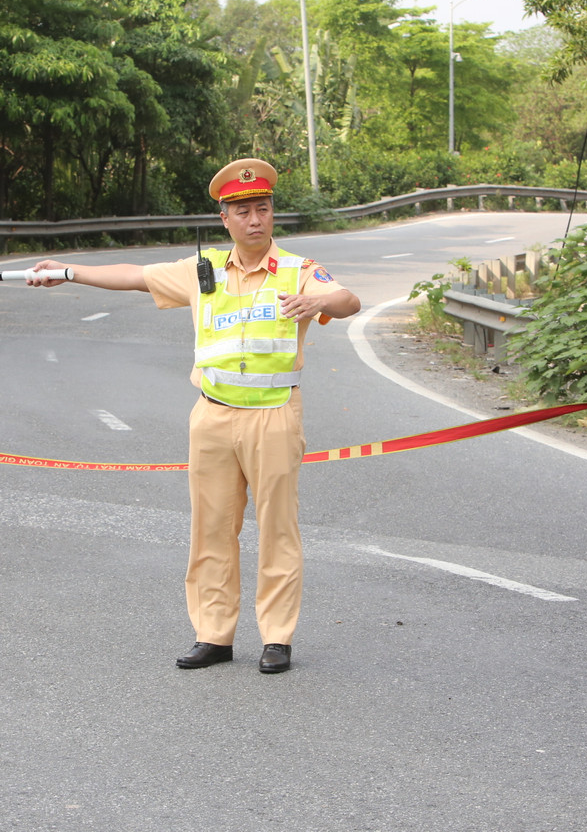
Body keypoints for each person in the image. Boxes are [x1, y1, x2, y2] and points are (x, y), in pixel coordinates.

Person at [25, 158, 360, 674]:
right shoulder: (199, 273)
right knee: (211, 529)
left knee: (277, 529)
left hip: (273, 416)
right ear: (224, 218)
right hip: (212, 416)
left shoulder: (298, 270)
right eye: (243, 211)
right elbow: (135, 276)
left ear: (273, 214)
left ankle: (276, 638)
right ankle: (214, 634)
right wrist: (68, 272)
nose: (255, 220)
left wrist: (319, 298)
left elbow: (347, 299)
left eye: (263, 209)